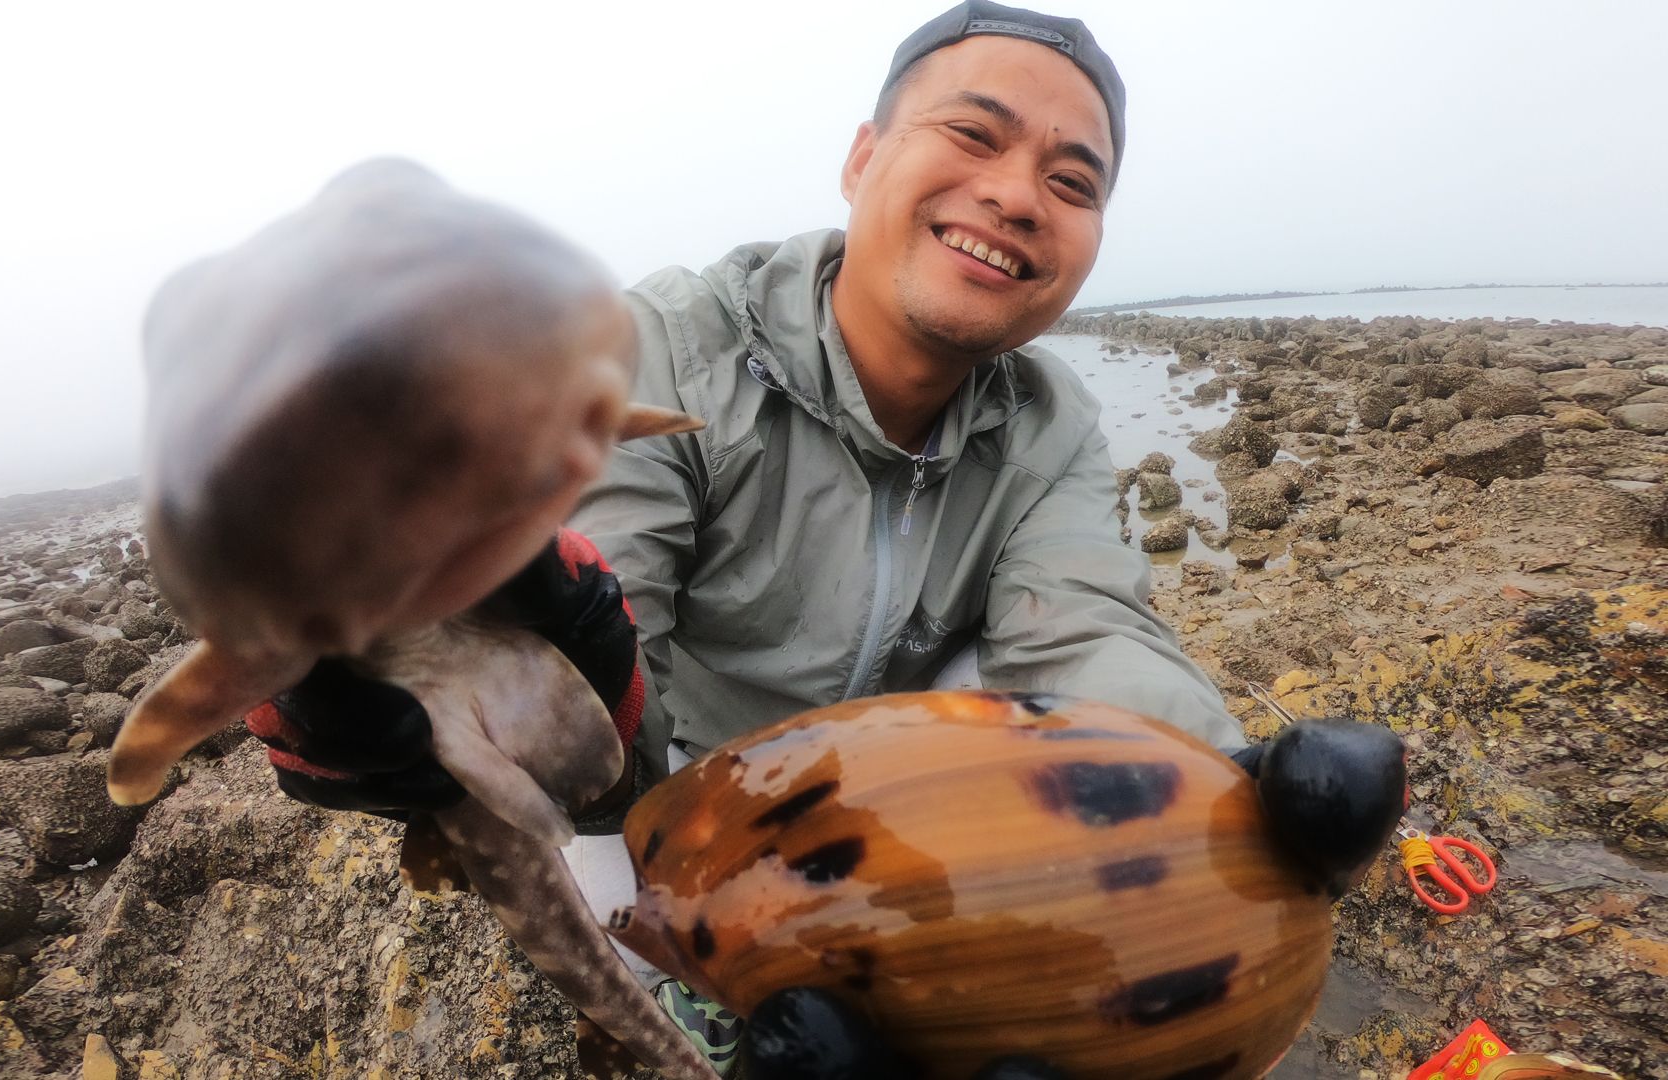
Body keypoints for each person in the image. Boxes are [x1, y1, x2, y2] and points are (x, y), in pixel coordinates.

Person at [248, 4, 1405, 1077]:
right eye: (975, 135)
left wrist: (1228, 795)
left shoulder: (1048, 422)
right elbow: (600, 595)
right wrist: (519, 702)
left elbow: (1087, 623)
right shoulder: (664, 344)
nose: (1016, 197)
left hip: (908, 800)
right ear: (863, 158)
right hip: (673, 796)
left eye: (1073, 180)